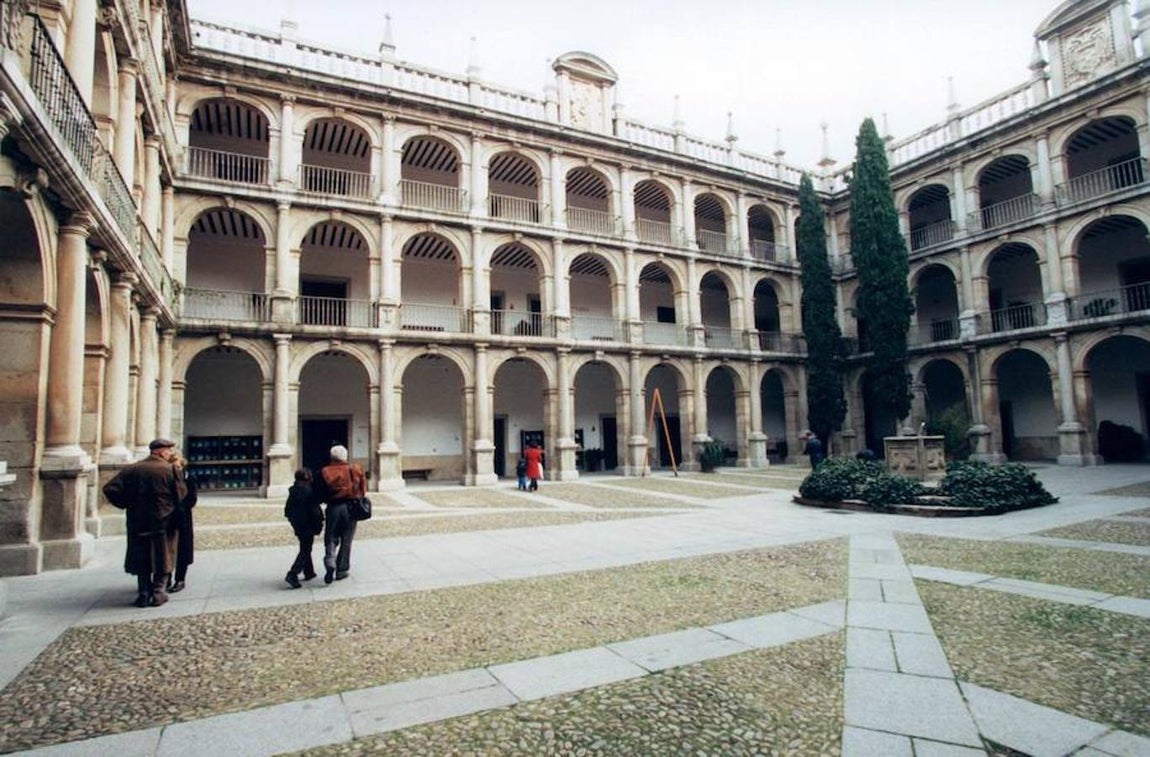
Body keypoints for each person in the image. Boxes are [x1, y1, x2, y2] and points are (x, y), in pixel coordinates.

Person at [102, 438, 188, 607]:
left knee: (142, 557)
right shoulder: (170, 470)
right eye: (169, 451)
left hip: (138, 520)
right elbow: (181, 493)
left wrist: (126, 504)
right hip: (163, 520)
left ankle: (143, 592)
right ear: (162, 452)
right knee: (163, 555)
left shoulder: (132, 469)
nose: (171, 453)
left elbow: (110, 489)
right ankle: (158, 592)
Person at [312, 444, 366, 584]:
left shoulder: (324, 472)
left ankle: (330, 560)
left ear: (331, 457)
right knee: (346, 539)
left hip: (333, 507)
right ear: (345, 456)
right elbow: (363, 490)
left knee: (331, 535)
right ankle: (341, 569)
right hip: (350, 507)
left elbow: (318, 493)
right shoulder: (356, 469)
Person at [283, 468, 324, 588]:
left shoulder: (293, 491)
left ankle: (309, 571)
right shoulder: (308, 492)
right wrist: (319, 524)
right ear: (307, 479)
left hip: (298, 524)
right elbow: (315, 511)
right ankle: (293, 573)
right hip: (307, 524)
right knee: (306, 549)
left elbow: (287, 511)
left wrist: (293, 520)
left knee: (305, 546)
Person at [167, 450, 198, 593]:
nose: (176, 469)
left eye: (178, 466)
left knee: (182, 549)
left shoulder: (188, 477)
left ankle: (180, 579)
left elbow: (192, 499)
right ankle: (165, 578)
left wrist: (181, 508)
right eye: (173, 466)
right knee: (166, 550)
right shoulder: (165, 479)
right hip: (167, 519)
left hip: (183, 519)